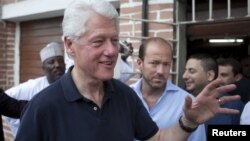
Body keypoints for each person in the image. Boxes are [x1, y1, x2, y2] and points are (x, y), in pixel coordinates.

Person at [15, 0, 240, 141]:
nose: (112, 51)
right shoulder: (42, 107)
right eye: (98, 41)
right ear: (70, 45)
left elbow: (158, 139)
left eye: (114, 40)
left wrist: (189, 122)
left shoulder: (125, 96)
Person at [130, 37, 206, 141]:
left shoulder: (188, 102)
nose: (161, 71)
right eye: (154, 63)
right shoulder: (124, 96)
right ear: (139, 63)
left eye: (166, 64)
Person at [5, 42, 65, 136]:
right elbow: (5, 100)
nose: (57, 65)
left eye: (61, 61)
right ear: (43, 68)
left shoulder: (72, 84)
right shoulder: (33, 86)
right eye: (51, 62)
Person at [182, 53, 244, 135]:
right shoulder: (179, 99)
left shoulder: (234, 105)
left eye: (191, 71)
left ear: (210, 75)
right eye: (185, 71)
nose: (184, 76)